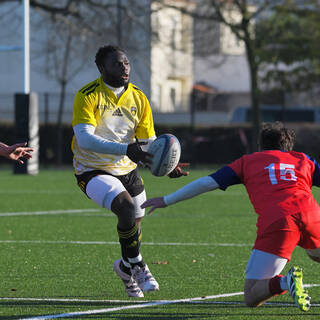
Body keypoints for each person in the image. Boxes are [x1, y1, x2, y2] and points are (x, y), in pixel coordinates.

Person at [141, 122, 320, 312]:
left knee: (251, 296)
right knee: (314, 252)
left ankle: (285, 282)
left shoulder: (248, 161)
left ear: (260, 146)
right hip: (313, 215)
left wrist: (167, 200)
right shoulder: (302, 159)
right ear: (289, 147)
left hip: (280, 221)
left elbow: (206, 183)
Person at [71, 45, 188, 298]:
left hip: (128, 169)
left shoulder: (139, 97)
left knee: (134, 222)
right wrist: (126, 148)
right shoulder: (87, 95)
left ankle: (124, 268)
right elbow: (85, 140)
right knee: (124, 207)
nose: (124, 67)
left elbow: (148, 142)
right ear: (102, 69)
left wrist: (167, 164)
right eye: (117, 64)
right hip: (92, 169)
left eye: (126, 63)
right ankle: (138, 265)